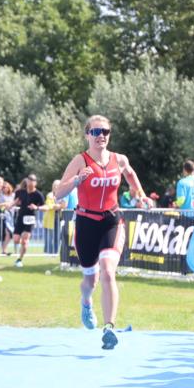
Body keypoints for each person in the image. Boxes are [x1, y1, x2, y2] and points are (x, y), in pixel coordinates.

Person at [54, 115, 154, 350]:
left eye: (106, 132)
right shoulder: (80, 160)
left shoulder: (119, 159)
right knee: (91, 279)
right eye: (96, 131)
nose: (101, 136)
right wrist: (77, 181)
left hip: (111, 221)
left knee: (108, 271)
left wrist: (140, 193)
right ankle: (86, 301)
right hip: (86, 223)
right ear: (87, 134)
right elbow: (59, 193)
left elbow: (130, 173)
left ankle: (109, 327)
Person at [8, 174, 44, 268]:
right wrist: (10, 205)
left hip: (30, 219)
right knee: (16, 240)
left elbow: (45, 206)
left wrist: (37, 207)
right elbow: (16, 201)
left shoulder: (38, 194)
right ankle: (23, 246)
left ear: (35, 183)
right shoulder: (21, 192)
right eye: (29, 180)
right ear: (26, 181)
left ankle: (19, 259)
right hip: (20, 217)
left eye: (33, 180)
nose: (31, 182)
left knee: (24, 241)